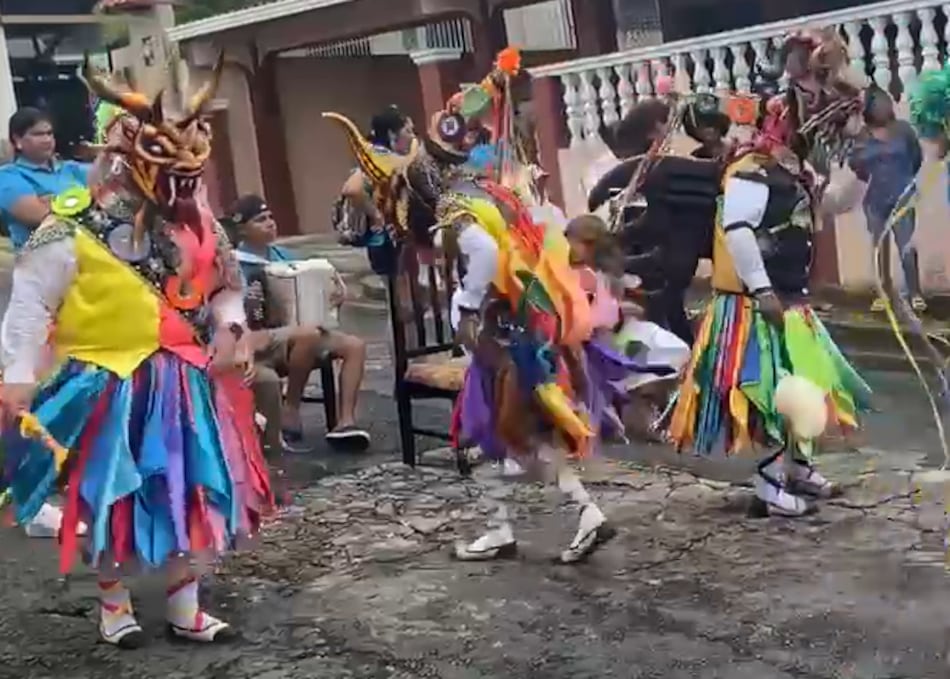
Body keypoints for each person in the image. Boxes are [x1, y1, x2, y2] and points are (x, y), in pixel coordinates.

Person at [0, 59, 273, 648]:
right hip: (107, 383)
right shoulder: (71, 227)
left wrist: (231, 326)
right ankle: (114, 606)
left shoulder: (199, 224)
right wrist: (18, 374)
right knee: (112, 491)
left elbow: (225, 285)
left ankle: (185, 607)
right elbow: (29, 304)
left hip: (185, 380)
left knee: (188, 486)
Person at [326, 47, 621, 563]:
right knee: (494, 431)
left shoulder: (453, 205)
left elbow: (483, 254)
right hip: (528, 325)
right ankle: (507, 527)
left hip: (508, 335)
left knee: (505, 430)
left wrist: (463, 306)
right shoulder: (491, 192)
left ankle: (580, 511)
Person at [667, 28, 873, 517]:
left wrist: (864, 175)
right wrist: (761, 291)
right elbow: (737, 231)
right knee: (773, 391)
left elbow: (833, 206)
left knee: (806, 383)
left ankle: (799, 467)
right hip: (752, 308)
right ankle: (768, 479)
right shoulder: (751, 170)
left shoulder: (794, 172)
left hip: (790, 300)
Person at [229, 194, 371, 450]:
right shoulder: (236, 265)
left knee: (354, 345)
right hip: (264, 340)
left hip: (300, 335)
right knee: (309, 334)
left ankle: (346, 423)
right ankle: (291, 407)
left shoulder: (286, 256)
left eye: (271, 217)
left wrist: (333, 294)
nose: (270, 223)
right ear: (242, 230)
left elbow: (315, 288)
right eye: (261, 220)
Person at [565, 215, 688, 442]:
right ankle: (638, 413)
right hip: (600, 345)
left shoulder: (605, 273)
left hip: (619, 337)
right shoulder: (572, 274)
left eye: (573, 241)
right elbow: (594, 318)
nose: (568, 246)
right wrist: (620, 311)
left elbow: (611, 309)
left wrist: (626, 307)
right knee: (642, 362)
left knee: (667, 352)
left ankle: (643, 408)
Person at [848, 85, 925, 312]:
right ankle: (884, 292)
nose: (883, 107)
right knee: (878, 249)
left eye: (885, 102)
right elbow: (856, 165)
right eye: (877, 103)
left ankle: (915, 292)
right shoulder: (862, 135)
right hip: (874, 200)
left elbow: (916, 158)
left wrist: (905, 180)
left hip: (903, 196)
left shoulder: (903, 131)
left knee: (906, 247)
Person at [0, 108, 89, 251]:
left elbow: (104, 192)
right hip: (40, 262)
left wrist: (52, 201)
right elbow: (40, 216)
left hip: (89, 252)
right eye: (38, 134)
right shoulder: (8, 176)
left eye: (49, 133)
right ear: (17, 140)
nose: (47, 139)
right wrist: (84, 198)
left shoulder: (70, 168)